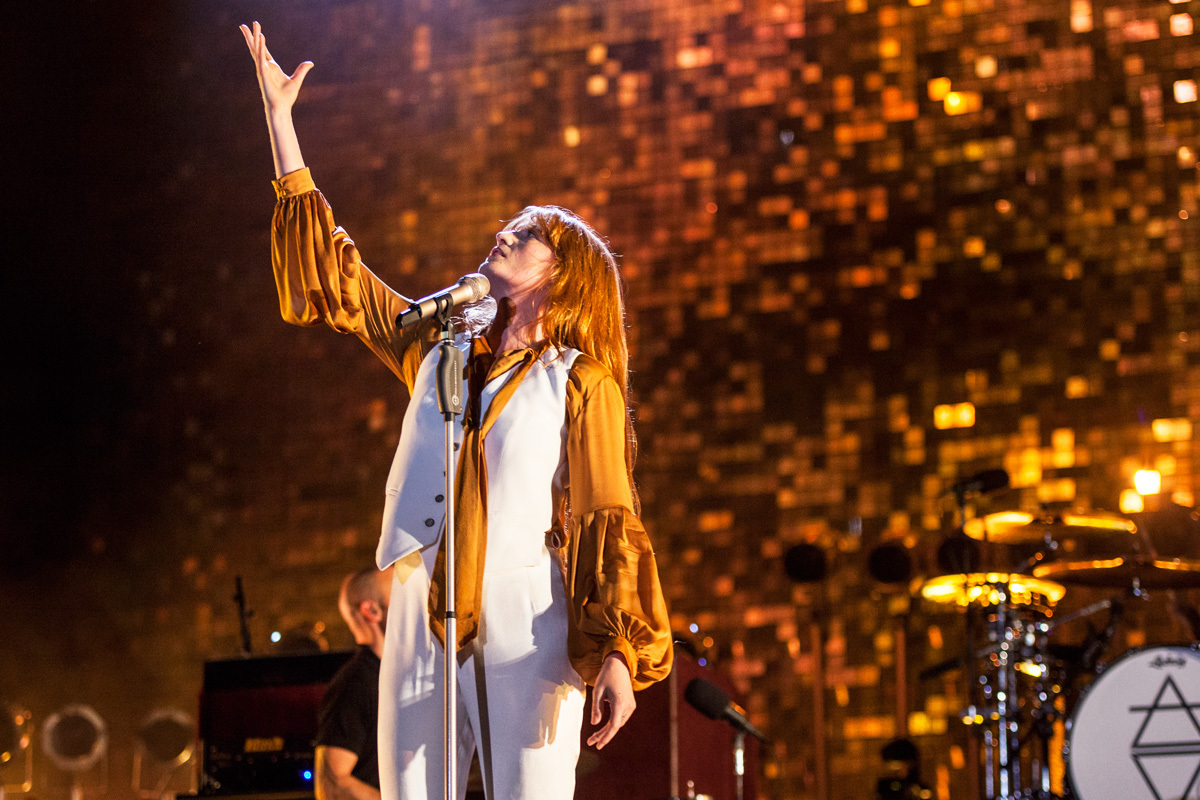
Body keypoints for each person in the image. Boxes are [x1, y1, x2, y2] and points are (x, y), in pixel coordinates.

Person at [239, 22, 674, 800]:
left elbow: (608, 515)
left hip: (525, 618)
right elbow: (344, 284)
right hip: (415, 609)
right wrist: (282, 124)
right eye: (508, 227)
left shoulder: (580, 380)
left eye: (527, 234)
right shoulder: (436, 341)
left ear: (562, 274)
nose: (502, 235)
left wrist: (616, 653)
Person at [316, 568, 394, 800]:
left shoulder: (388, 674)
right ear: (372, 610)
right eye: (399, 595)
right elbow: (332, 783)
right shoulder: (355, 684)